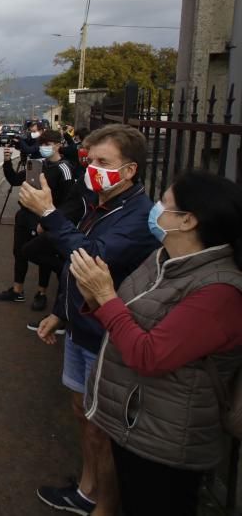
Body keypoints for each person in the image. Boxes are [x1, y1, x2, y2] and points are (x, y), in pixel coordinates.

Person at [69, 171, 242, 516]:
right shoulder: (164, 258)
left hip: (167, 441)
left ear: (188, 220)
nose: (155, 207)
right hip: (135, 423)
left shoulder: (220, 291)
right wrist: (96, 298)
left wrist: (105, 297)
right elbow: (130, 315)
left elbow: (149, 355)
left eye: (164, 202)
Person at [18, 124, 160, 516]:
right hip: (82, 328)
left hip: (107, 339)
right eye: (89, 160)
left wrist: (47, 211)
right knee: (83, 415)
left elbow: (89, 259)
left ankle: (104, 505)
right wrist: (60, 315)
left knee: (102, 428)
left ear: (130, 170)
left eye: (103, 162)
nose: (93, 169)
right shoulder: (101, 203)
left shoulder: (140, 217)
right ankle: (86, 488)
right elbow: (73, 272)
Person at [0, 129, 77, 311]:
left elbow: (69, 200)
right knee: (19, 252)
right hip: (25, 215)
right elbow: (15, 179)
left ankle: (42, 292)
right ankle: (17, 290)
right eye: (42, 144)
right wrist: (7, 160)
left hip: (45, 217)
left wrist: (50, 220)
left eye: (48, 144)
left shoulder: (65, 168)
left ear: (58, 145)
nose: (44, 148)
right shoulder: (37, 164)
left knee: (43, 255)